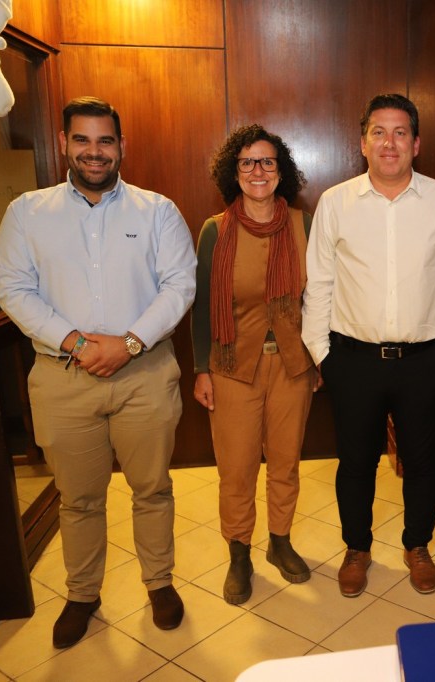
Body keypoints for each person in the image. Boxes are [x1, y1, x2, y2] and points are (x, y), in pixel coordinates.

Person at [0, 96, 196, 648]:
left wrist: (128, 344)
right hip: (64, 378)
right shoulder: (28, 213)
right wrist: (78, 343)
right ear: (64, 143)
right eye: (82, 139)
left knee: (152, 488)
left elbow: (180, 285)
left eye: (105, 140)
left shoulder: (158, 211)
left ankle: (159, 583)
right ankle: (82, 593)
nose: (94, 151)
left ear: (121, 146)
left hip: (145, 374)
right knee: (78, 498)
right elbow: (12, 287)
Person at [302, 93, 435, 598]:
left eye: (401, 133)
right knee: (356, 464)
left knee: (422, 463)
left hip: (425, 361)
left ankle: (417, 546)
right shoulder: (336, 202)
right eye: (379, 132)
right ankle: (357, 548)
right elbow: (320, 282)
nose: (389, 143)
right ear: (363, 143)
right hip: (352, 360)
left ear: (416, 144)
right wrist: (323, 355)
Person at [192, 124, 317, 605]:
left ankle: (279, 542)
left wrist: (319, 357)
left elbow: (320, 298)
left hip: (292, 364)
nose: (257, 170)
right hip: (231, 366)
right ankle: (239, 553)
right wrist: (201, 369)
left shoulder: (304, 225)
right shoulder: (215, 230)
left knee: (285, 462)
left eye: (267, 161)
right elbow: (202, 305)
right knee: (237, 468)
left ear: (281, 170)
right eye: (247, 162)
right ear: (234, 171)